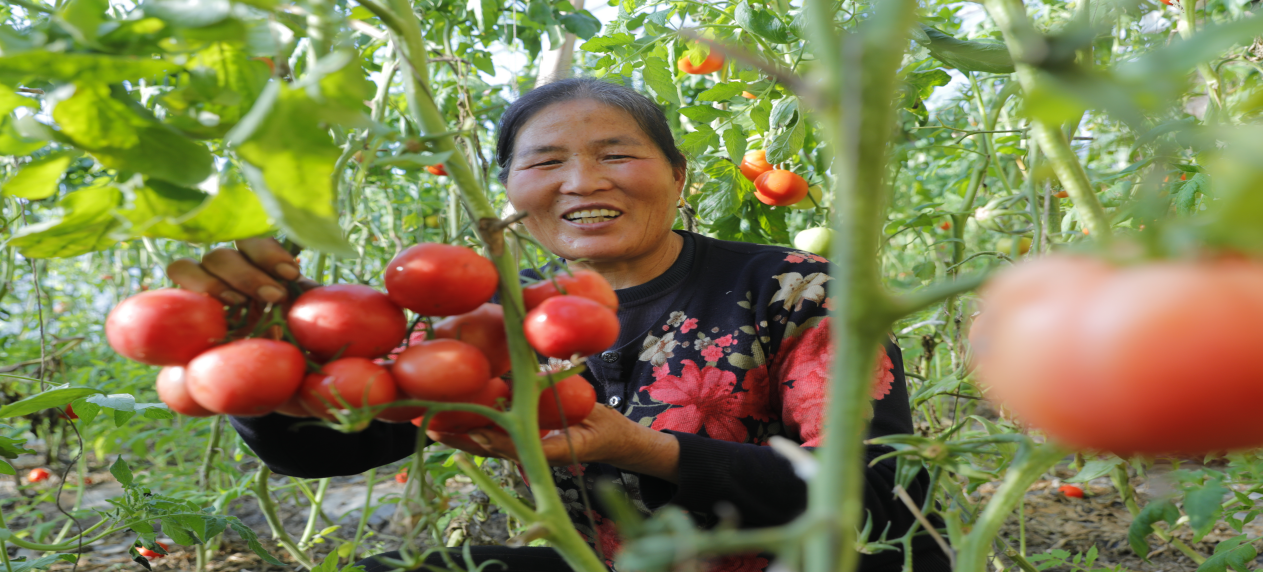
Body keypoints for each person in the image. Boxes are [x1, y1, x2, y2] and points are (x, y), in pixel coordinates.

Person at [167, 78, 950, 572]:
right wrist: (266, 353)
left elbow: (879, 498)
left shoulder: (798, 289)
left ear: (678, 176)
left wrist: (643, 450)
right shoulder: (495, 310)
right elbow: (337, 440)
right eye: (543, 163)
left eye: (617, 153)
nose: (582, 181)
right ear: (507, 190)